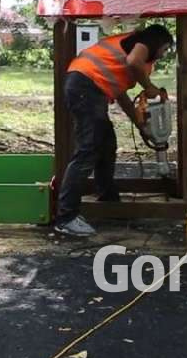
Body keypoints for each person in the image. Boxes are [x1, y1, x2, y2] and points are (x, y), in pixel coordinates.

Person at [54, 24, 175, 236]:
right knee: (88, 150)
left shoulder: (123, 56)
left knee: (106, 143)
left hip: (87, 87)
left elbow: (121, 96)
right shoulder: (142, 44)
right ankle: (66, 217)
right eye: (164, 49)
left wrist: (140, 125)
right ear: (157, 42)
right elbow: (134, 62)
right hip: (85, 87)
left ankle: (109, 199)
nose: (162, 55)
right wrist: (148, 86)